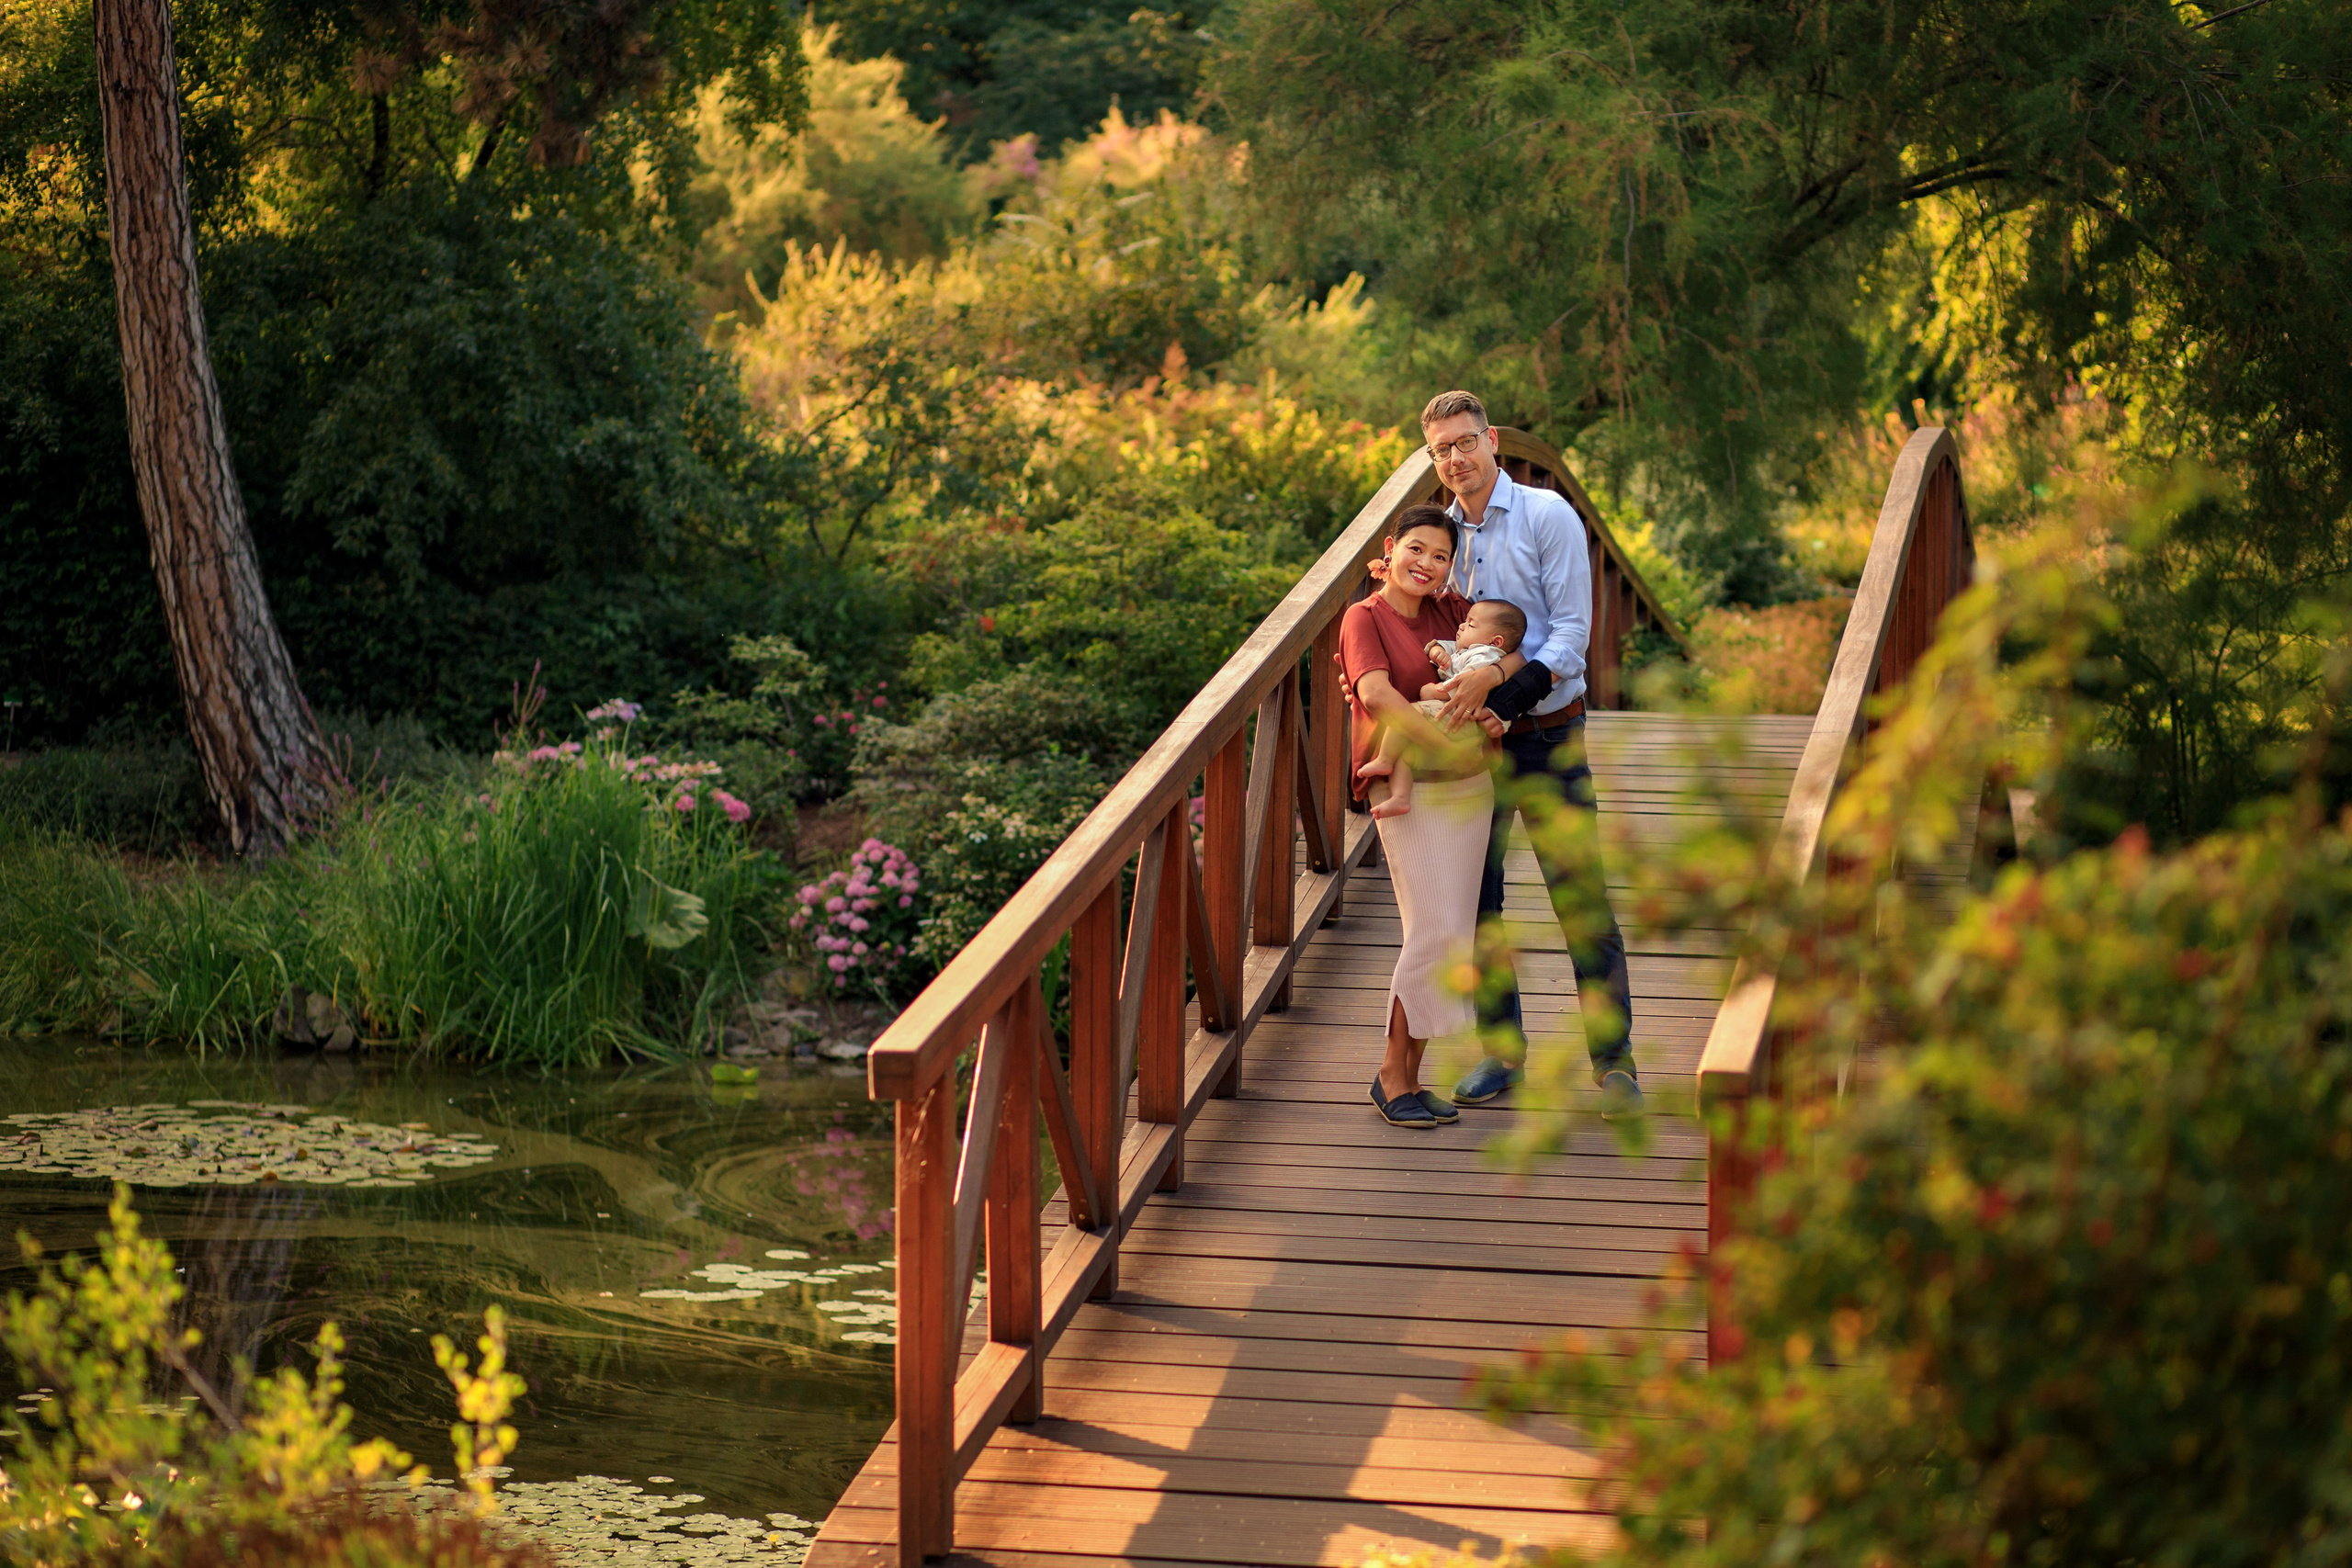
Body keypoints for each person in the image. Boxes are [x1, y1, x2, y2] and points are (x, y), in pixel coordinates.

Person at [1416, 389, 1644, 1121]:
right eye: (1442, 449)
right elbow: (1413, 617)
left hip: (1546, 733)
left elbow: (1572, 635)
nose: (1456, 458)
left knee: (1581, 898)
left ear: (1492, 441)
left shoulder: (1548, 515)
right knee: (1476, 901)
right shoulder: (1439, 537)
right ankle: (1502, 1053)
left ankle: (1614, 1062)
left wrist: (1502, 692)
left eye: (1466, 441)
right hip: (1470, 749)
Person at [1337, 505, 1507, 1130]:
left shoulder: (1449, 611)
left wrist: (1494, 680)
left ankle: (1412, 1075)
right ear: (1391, 547)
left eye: (1440, 556)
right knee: (1431, 929)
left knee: (1450, 933)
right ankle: (1390, 1073)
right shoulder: (1363, 617)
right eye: (1416, 549)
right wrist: (1442, 742)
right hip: (1408, 789)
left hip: (1469, 787)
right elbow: (1375, 693)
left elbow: (1503, 649)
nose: (1426, 564)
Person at [1356, 598, 1526, 819]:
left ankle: (1384, 759)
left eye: (1471, 624)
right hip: (1453, 716)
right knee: (1407, 752)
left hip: (1458, 714)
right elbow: (1446, 646)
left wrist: (1432, 691)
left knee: (1408, 713)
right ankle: (1400, 797)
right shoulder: (1468, 648)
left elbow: (1464, 688)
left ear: (1495, 641)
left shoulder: (1485, 656)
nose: (1462, 626)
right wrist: (1436, 650)